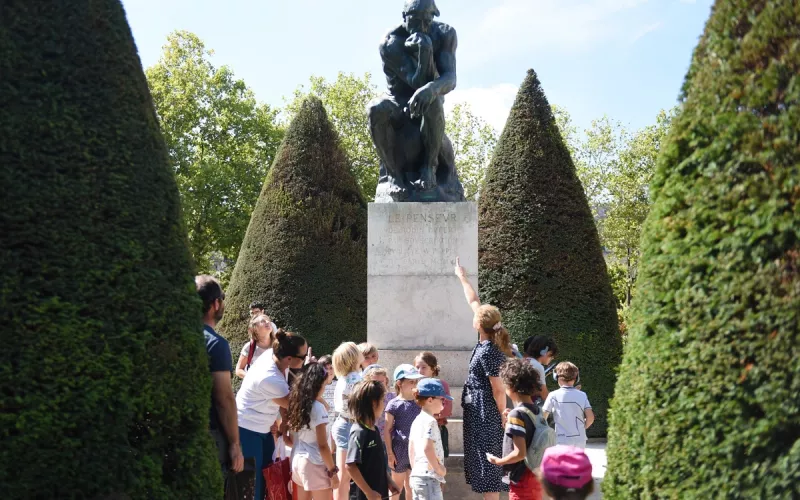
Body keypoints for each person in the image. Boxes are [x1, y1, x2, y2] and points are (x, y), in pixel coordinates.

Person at [454, 257, 513, 499]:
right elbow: (474, 301)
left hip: (487, 412)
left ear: (479, 325)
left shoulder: (489, 351)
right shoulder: (488, 341)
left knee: (490, 466)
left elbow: (498, 389)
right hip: (480, 410)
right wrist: (462, 278)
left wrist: (502, 414)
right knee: (485, 464)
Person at [236, 330, 308, 500]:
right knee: (254, 483)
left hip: (264, 428)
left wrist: (283, 423)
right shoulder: (269, 377)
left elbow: (285, 403)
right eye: (303, 357)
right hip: (247, 429)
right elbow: (295, 405)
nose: (306, 360)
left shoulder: (275, 356)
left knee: (269, 475)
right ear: (289, 359)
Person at [196, 275, 244, 476]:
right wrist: (235, 444)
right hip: (209, 437)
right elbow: (223, 398)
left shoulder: (173, 336)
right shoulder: (216, 344)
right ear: (216, 304)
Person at [487, 359, 544, 500]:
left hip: (522, 479)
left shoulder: (517, 414)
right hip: (537, 475)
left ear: (511, 386)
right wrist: (510, 422)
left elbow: (519, 453)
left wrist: (499, 461)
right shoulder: (537, 410)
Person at [288, 363, 340, 500]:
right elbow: (322, 445)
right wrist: (333, 471)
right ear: (320, 383)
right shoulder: (318, 408)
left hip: (298, 461)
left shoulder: (298, 404)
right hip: (315, 463)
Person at [346, 380, 401, 500]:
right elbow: (350, 466)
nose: (384, 404)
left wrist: (389, 482)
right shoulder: (359, 432)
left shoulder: (374, 429)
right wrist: (368, 492)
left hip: (378, 494)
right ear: (373, 403)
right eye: (382, 400)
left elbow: (378, 463)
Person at [330, 342, 364, 500]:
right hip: (350, 425)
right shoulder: (356, 379)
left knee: (344, 476)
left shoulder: (345, 377)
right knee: (344, 476)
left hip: (344, 423)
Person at [385, 364, 424, 498]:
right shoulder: (393, 404)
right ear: (399, 383)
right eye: (410, 381)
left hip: (416, 449)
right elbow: (387, 430)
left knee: (412, 487)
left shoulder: (420, 403)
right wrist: (390, 453)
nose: (414, 384)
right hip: (399, 450)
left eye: (416, 381)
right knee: (396, 487)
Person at [409, 378, 451, 500]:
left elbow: (411, 449)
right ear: (430, 400)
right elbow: (427, 448)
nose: (444, 403)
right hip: (429, 478)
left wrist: (415, 469)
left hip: (417, 475)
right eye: (442, 399)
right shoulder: (431, 421)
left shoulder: (417, 420)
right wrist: (439, 469)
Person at [542, 362, 594, 449]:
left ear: (556, 377)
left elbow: (543, 416)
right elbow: (590, 418)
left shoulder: (553, 395)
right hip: (580, 439)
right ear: (576, 378)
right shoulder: (582, 395)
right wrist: (583, 427)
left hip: (561, 439)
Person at [414, 352, 452, 457]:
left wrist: (432, 415)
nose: (419, 371)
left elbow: (447, 408)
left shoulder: (442, 384)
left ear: (433, 368)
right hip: (419, 427)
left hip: (437, 426)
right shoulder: (414, 385)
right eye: (417, 367)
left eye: (423, 367)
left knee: (438, 458)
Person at [235, 314, 276, 379]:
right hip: (256, 388)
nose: (268, 322)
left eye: (268, 320)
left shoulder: (279, 344)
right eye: (263, 321)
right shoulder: (249, 347)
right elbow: (238, 370)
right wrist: (252, 379)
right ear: (255, 328)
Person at [522, 336, 558, 403]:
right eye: (551, 354)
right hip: (528, 405)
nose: (552, 358)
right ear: (543, 352)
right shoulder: (538, 366)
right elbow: (544, 395)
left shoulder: (523, 361)